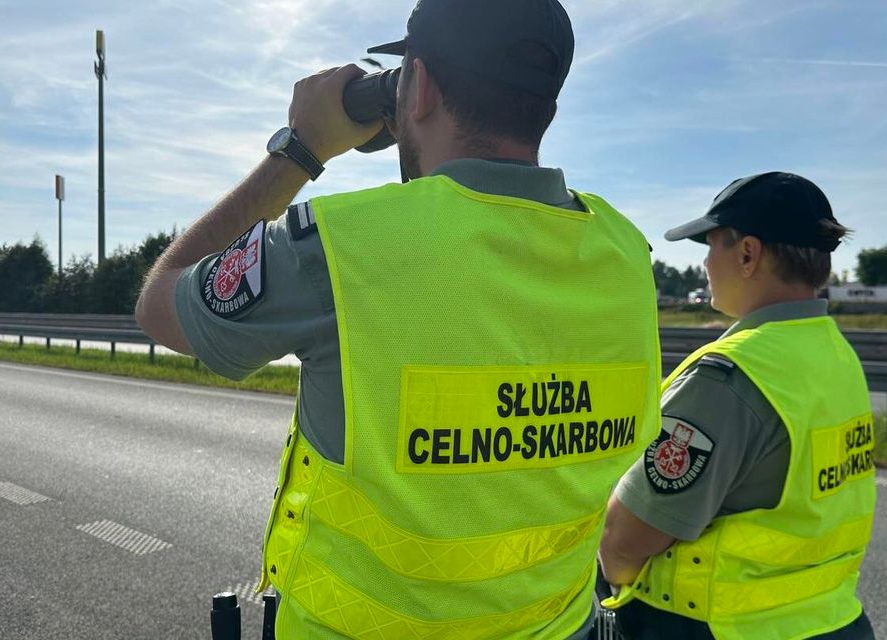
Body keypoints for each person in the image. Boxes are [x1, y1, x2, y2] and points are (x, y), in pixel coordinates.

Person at [134, 0, 662, 637]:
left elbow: (160, 303)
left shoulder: (341, 248)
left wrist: (299, 149)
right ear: (544, 106)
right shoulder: (624, 253)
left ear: (421, 86)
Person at [597, 172, 877, 640]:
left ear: (747, 254)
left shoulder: (729, 377)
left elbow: (624, 540)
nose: (706, 264)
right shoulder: (835, 353)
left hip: (718, 628)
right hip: (833, 620)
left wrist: (612, 575)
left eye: (710, 246)